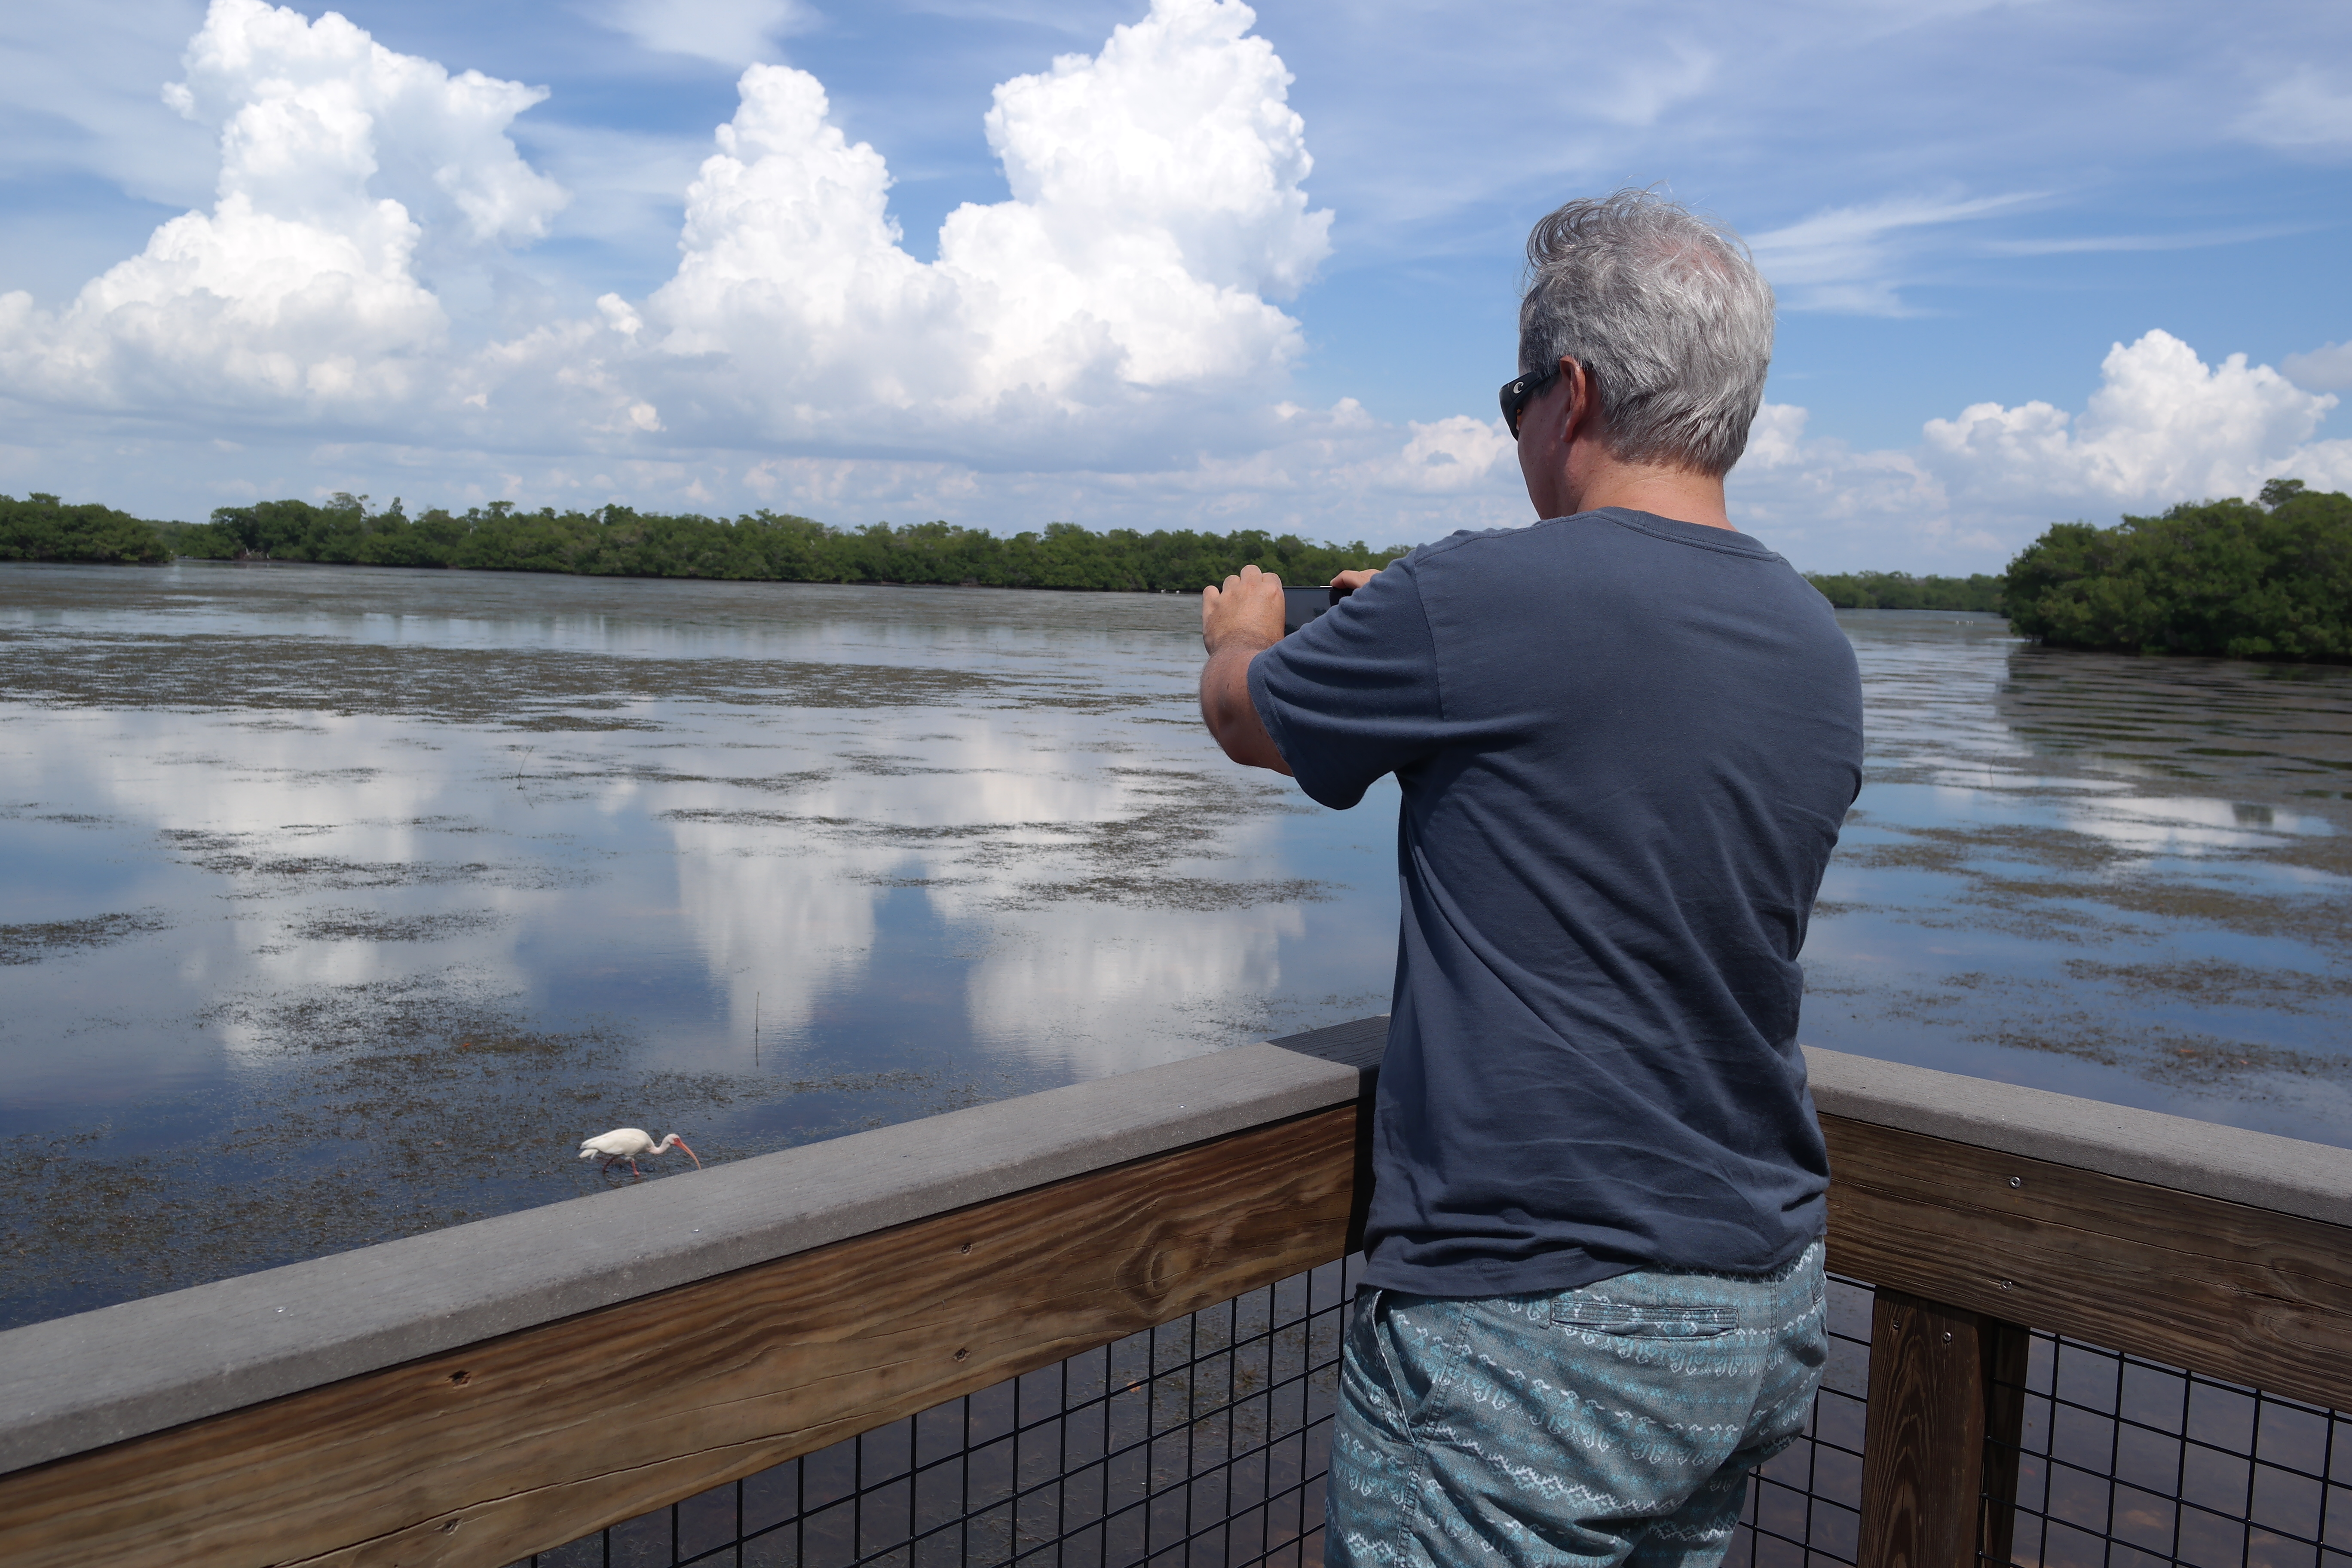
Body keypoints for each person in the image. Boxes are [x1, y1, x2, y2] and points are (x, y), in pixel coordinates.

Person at [1197, 189, 1865, 1567]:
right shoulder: (1814, 638)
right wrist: (1436, 625)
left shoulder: (1476, 600)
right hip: (1757, 1298)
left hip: (1531, 1323)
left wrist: (1245, 629)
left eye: (1516, 400)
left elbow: (1250, 719)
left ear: (1570, 391)